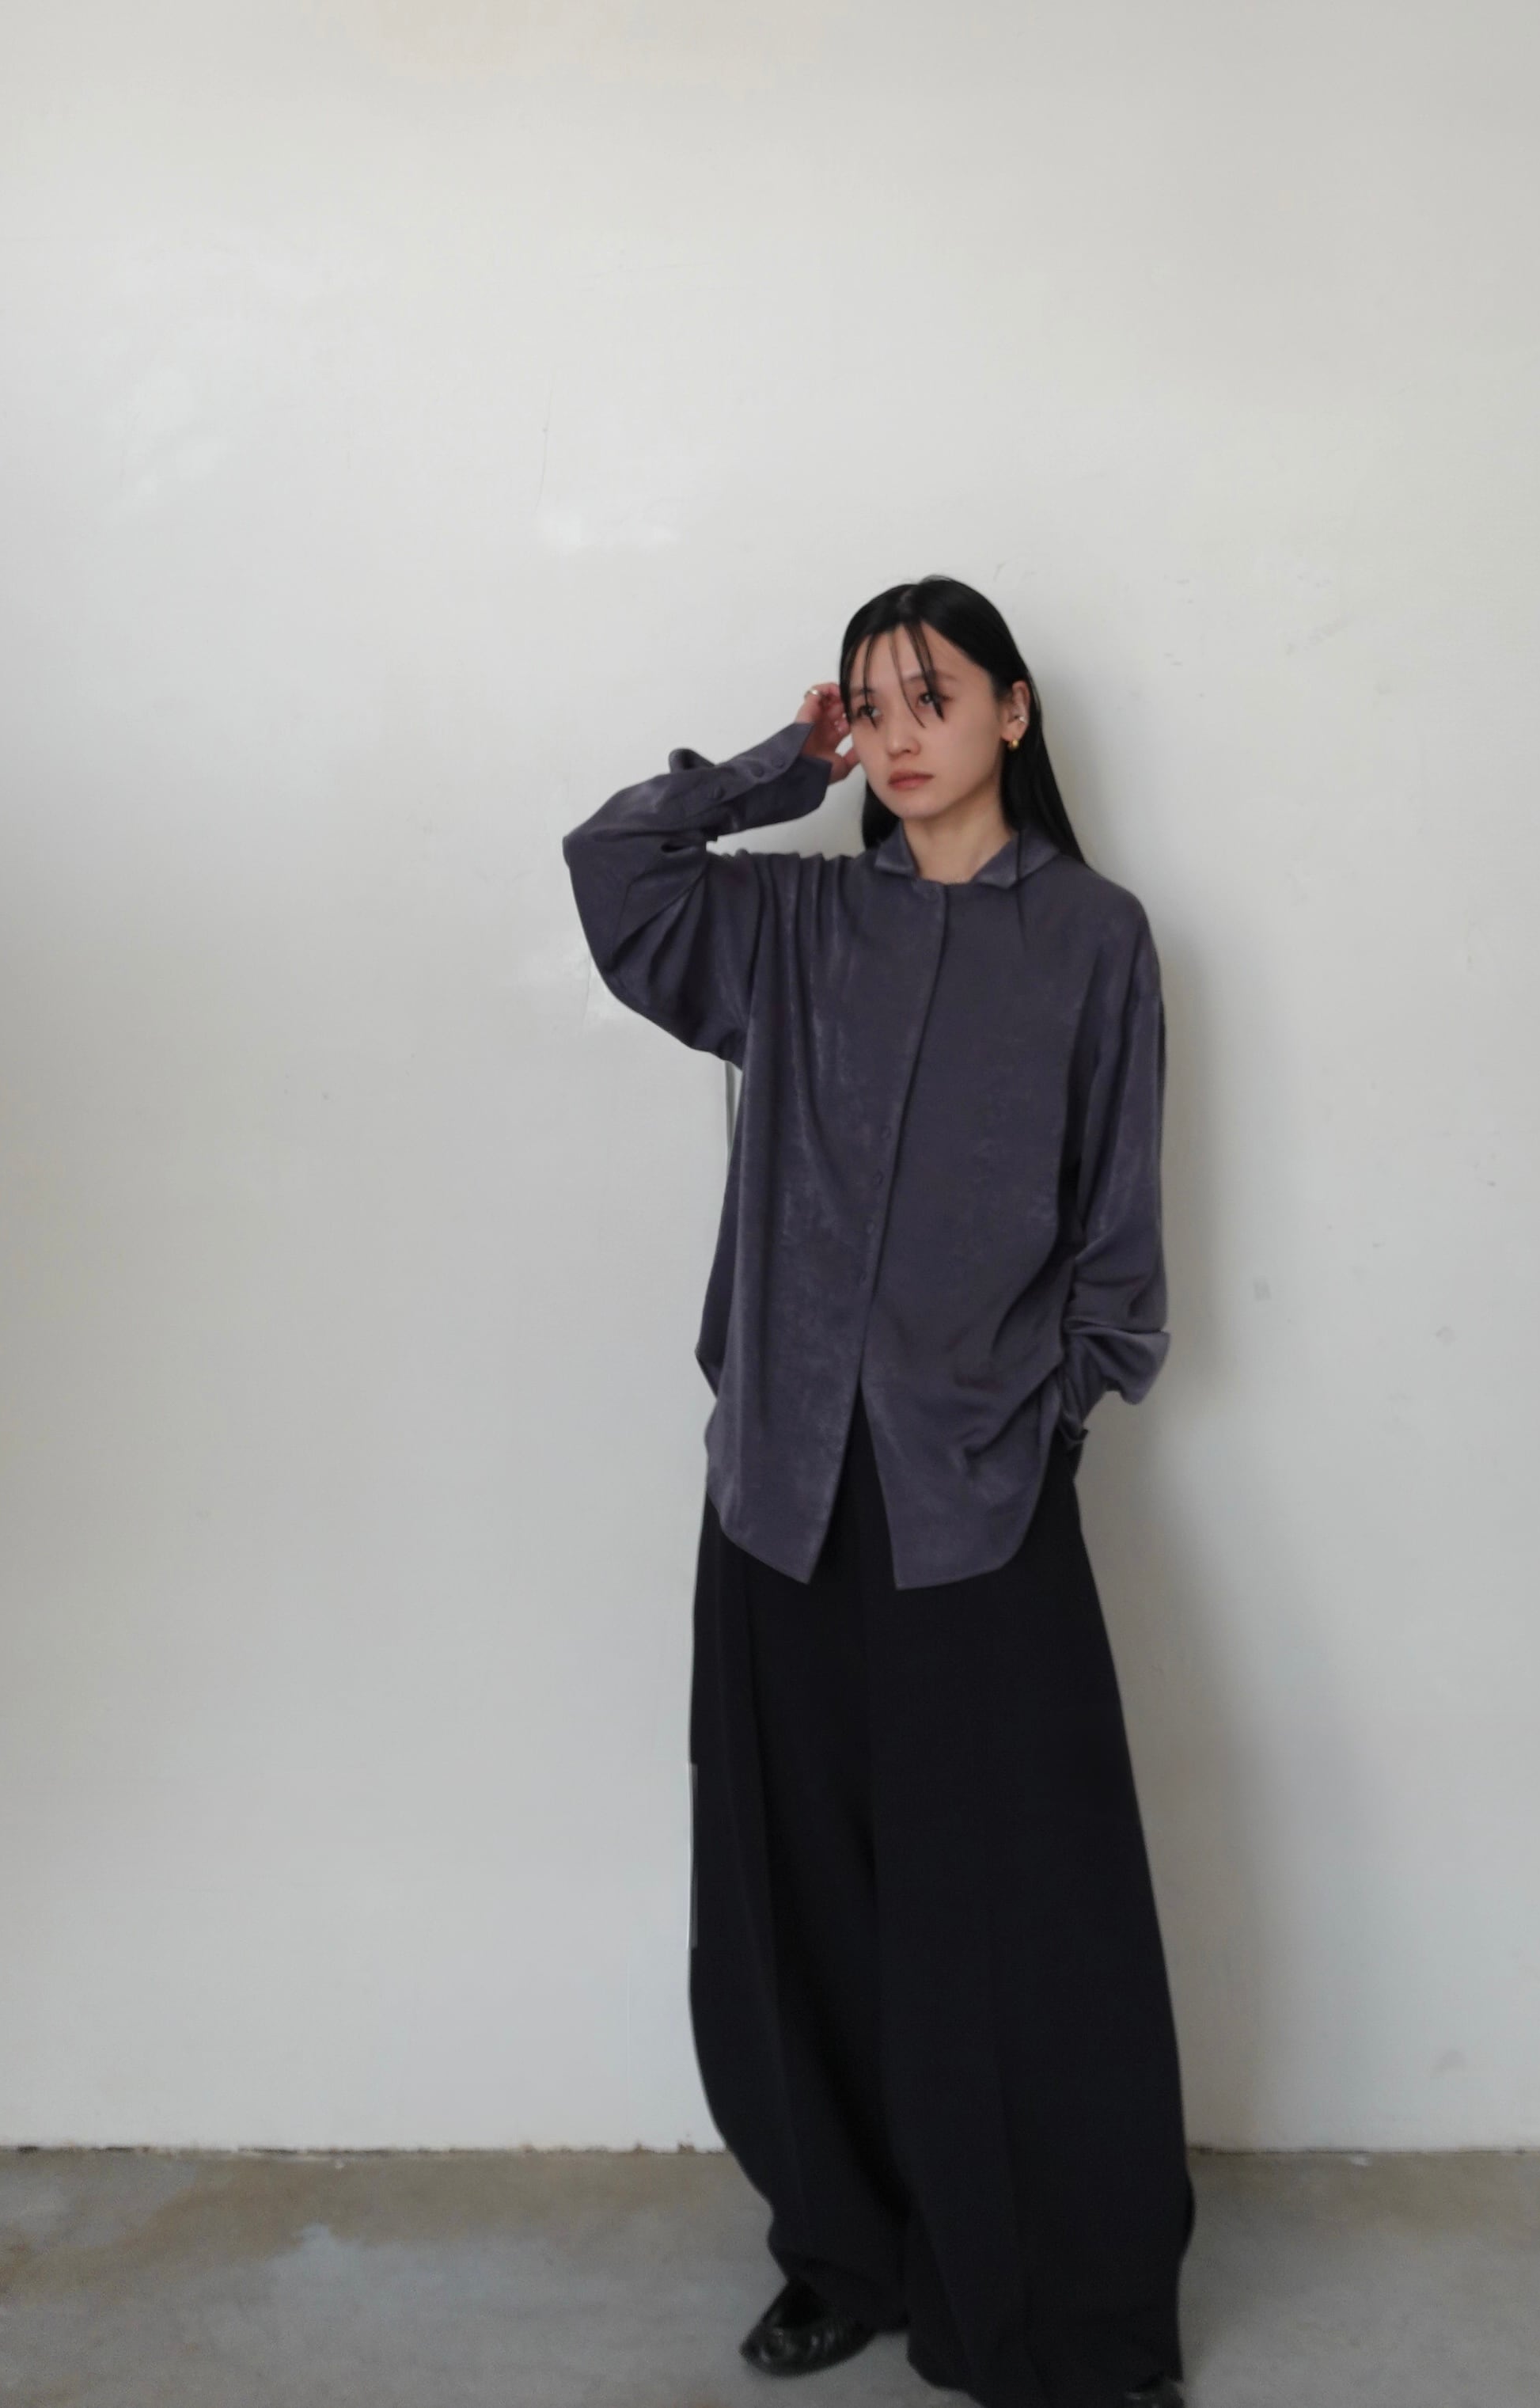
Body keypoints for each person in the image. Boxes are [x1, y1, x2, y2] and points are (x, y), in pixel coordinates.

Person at [562, 577, 1193, 2408]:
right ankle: (838, 2249)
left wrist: (1039, 1417)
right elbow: (613, 869)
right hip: (780, 1493)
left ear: (1012, 711)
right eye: (868, 702)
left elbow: (1116, 1238)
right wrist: (778, 767)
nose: (899, 732)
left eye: (930, 695)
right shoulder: (790, 926)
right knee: (798, 1895)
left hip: (974, 1498)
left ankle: (1051, 2290)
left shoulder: (1093, 939)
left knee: (1016, 1904)